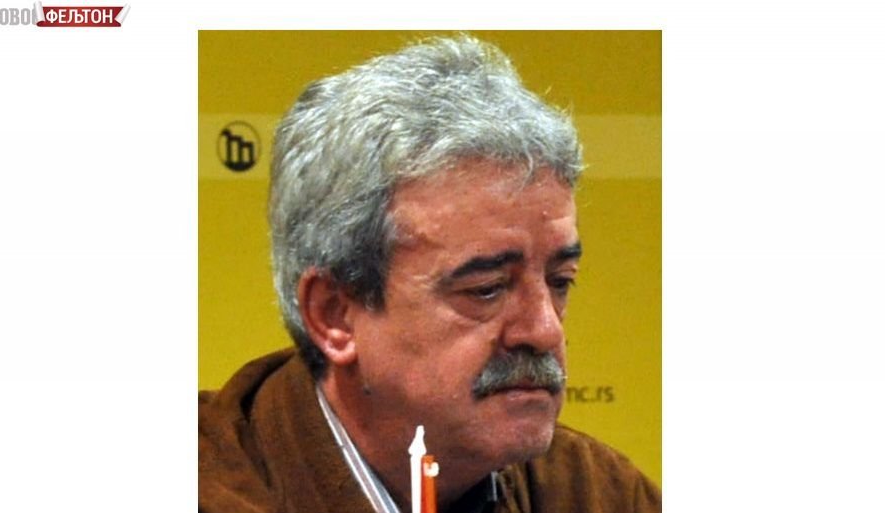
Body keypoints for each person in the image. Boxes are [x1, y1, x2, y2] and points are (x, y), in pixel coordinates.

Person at [199, 35, 661, 513]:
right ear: (334, 315)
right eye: (486, 290)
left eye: (560, 282)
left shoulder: (600, 494)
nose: (545, 331)